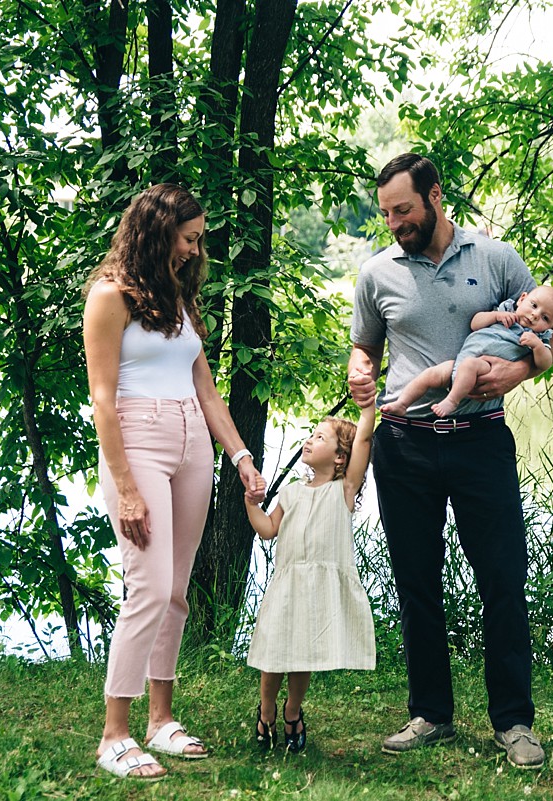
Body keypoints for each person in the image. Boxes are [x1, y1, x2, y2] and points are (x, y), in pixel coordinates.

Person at [347, 153, 553, 770]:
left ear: (435, 196)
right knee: (416, 581)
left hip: (480, 440)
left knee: (502, 578)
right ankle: (431, 714)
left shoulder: (495, 258)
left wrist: (518, 371)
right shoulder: (376, 273)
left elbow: (549, 331)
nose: (394, 222)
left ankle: (514, 723)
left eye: (404, 209)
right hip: (405, 443)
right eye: (387, 212)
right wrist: (363, 374)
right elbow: (364, 350)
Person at [83, 183, 266, 782]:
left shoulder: (180, 302)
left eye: (198, 239)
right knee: (149, 588)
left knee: (178, 590)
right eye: (189, 238)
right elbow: (103, 402)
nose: (195, 249)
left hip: (192, 445)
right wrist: (127, 487)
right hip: (138, 443)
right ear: (158, 231)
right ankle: (115, 734)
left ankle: (161, 720)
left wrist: (239, 456)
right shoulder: (110, 296)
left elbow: (207, 393)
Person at [243, 404, 376, 754]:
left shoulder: (344, 490)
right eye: (311, 434)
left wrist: (368, 409)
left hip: (317, 590)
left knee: (303, 654)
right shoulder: (290, 492)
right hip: (287, 585)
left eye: (320, 437)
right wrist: (251, 505)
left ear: (339, 458)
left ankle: (292, 710)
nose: (310, 439)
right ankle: (267, 708)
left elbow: (364, 441)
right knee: (274, 652)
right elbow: (268, 530)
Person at [379, 285, 553, 419]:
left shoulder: (538, 337)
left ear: (552, 326)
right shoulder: (504, 312)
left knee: (470, 364)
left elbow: (545, 363)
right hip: (459, 364)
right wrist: (495, 316)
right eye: (534, 306)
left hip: (485, 368)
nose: (535, 315)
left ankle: (452, 400)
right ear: (522, 298)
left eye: (545, 317)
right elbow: (475, 323)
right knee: (431, 374)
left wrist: (537, 346)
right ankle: (402, 404)